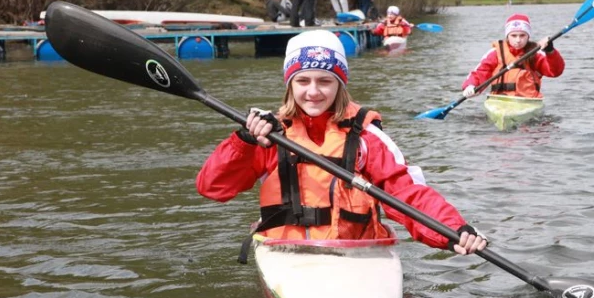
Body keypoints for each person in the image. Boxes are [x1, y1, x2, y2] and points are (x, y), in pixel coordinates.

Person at [196, 30, 487, 256]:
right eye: (303, 81)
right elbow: (212, 187)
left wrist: (453, 230)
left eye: (324, 81)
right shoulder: (268, 135)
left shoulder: (366, 138)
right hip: (286, 253)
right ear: (290, 85)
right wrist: (244, 142)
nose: (313, 92)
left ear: (339, 85)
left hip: (354, 255)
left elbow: (407, 193)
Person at [461, 13, 564, 98]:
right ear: (507, 36)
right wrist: (471, 86)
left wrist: (550, 51)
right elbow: (481, 72)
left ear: (528, 36)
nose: (518, 40)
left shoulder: (536, 53)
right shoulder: (495, 53)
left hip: (528, 101)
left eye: (522, 35)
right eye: (514, 36)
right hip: (499, 100)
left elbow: (555, 72)